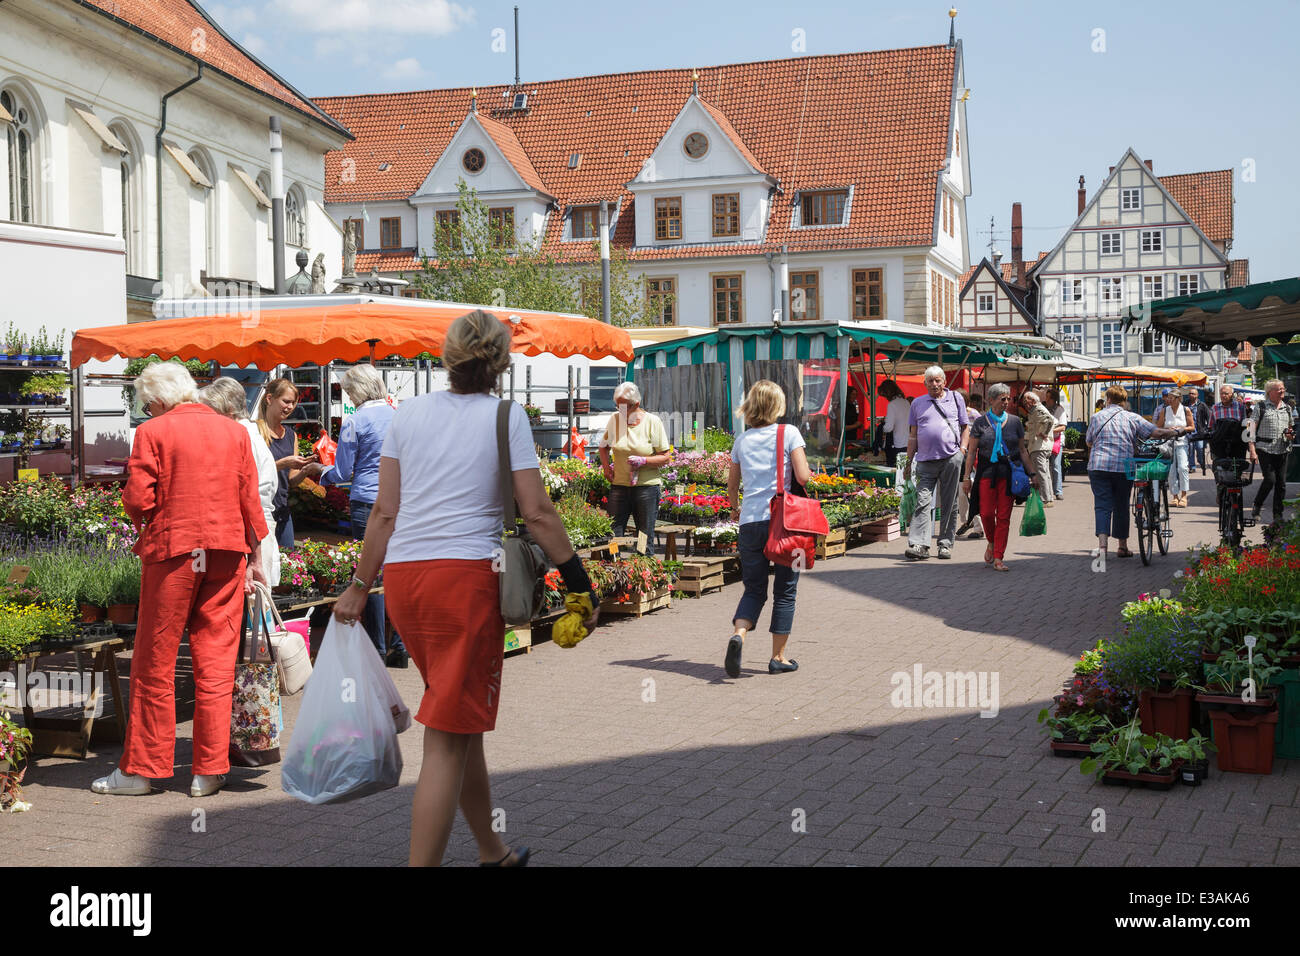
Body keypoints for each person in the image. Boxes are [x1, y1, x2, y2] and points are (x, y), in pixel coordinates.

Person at [331, 309, 600, 867]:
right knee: (447, 737)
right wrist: (579, 582)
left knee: (459, 720)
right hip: (468, 581)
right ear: (501, 362)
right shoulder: (507, 417)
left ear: (447, 357)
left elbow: (383, 511)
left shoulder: (407, 415)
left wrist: (361, 585)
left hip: (407, 581)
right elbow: (539, 514)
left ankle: (491, 850)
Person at [91, 362, 268, 798]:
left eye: (147, 401)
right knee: (215, 659)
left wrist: (150, 522)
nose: (148, 407)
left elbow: (138, 498)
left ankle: (143, 770)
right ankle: (207, 770)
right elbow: (250, 501)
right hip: (226, 552)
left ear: (157, 399)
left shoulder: (153, 431)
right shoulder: (235, 432)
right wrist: (256, 557)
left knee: (155, 662)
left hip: (174, 551)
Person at [307, 364, 408, 668]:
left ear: (358, 390)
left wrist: (318, 472)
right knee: (397, 571)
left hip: (366, 501)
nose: (348, 395)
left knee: (371, 572)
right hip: (399, 500)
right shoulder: (398, 416)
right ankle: (399, 647)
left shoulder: (355, 421)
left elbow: (341, 472)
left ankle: (376, 647)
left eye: (349, 390)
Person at [724, 380, 812, 677]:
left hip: (750, 522)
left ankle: (739, 634)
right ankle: (778, 658)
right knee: (785, 590)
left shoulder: (742, 440)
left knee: (754, 588)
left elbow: (732, 486)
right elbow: (803, 476)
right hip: (785, 524)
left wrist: (737, 507)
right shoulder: (789, 433)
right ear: (778, 405)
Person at [199, 377, 279, 588]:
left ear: (229, 410)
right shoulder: (248, 433)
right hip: (256, 529)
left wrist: (255, 554)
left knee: (256, 606)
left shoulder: (242, 436)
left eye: (211, 411)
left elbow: (249, 496)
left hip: (254, 532)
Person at [1085, 385, 1178, 560]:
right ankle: (1122, 547)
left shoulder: (1096, 417)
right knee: (1121, 504)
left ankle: (1103, 548)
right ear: (1124, 401)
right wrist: (1174, 432)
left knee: (1102, 505)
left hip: (1098, 466)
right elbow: (1155, 432)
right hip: (1122, 466)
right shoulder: (1132, 417)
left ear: (1108, 400)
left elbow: (1089, 442)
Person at [961, 383, 1035, 571]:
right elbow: (971, 452)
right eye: (1003, 399)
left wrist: (1032, 473)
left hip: (1009, 474)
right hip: (986, 473)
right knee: (985, 513)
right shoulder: (980, 423)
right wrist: (966, 477)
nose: (1007, 402)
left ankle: (998, 557)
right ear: (991, 400)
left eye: (1008, 398)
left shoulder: (1015, 422)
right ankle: (992, 542)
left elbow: (1022, 450)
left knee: (1003, 516)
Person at [903, 366, 970, 560]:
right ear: (924, 383)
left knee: (949, 503)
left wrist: (962, 451)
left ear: (944, 381)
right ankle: (919, 545)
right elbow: (913, 435)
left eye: (938, 380)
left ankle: (945, 544)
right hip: (925, 460)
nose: (934, 384)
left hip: (950, 458)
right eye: (930, 381)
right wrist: (908, 461)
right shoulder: (917, 403)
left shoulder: (955, 399)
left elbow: (965, 428)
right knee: (922, 501)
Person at [598, 382, 672, 555]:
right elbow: (603, 447)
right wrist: (606, 469)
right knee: (613, 532)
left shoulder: (652, 422)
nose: (620, 410)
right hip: (620, 485)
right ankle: (612, 565)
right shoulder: (615, 420)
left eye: (624, 406)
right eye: (617, 405)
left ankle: (642, 567)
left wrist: (644, 460)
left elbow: (665, 456)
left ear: (636, 404)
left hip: (646, 487)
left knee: (644, 534)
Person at [256, 377, 315, 549]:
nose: (290, 407)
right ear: (269, 399)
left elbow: (291, 481)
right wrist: (282, 463)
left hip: (282, 509)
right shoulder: (255, 431)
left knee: (289, 562)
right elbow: (252, 473)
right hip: (260, 510)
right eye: (286, 401)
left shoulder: (291, 435)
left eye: (293, 403)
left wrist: (305, 470)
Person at [1247, 379, 1297, 527]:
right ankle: (1257, 504)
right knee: (1270, 480)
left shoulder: (1287, 408)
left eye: (1283, 389)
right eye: (1279, 389)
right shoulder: (1261, 407)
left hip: (1282, 449)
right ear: (1270, 392)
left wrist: (1290, 435)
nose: (1282, 391)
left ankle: (1278, 515)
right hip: (1265, 449)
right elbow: (1250, 429)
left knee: (1281, 484)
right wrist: (1252, 449)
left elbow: (1291, 428)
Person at [1154, 388, 1194, 507]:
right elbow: (1158, 427)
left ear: (1179, 398)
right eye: (1168, 398)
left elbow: (1192, 427)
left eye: (1171, 398)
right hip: (1168, 443)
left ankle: (1184, 495)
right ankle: (1175, 496)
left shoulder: (1186, 410)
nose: (1169, 400)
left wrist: (1181, 429)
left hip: (1181, 442)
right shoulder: (1164, 411)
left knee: (1182, 468)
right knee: (1171, 471)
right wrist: (1168, 430)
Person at [956, 393, 985, 539]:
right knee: (962, 492)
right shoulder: (952, 413)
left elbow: (984, 430)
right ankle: (968, 520)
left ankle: (979, 526)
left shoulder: (973, 414)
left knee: (970, 490)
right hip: (960, 456)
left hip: (972, 456)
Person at [1021, 390, 1058, 507]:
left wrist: (1044, 433)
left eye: (1026, 401)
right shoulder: (1035, 411)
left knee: (1041, 473)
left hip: (1039, 446)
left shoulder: (1038, 409)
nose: (1025, 403)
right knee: (1045, 472)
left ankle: (1045, 499)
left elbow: (1050, 420)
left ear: (1033, 401)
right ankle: (1049, 497)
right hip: (1041, 446)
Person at [1045, 387, 1069, 500]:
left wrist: (1049, 431)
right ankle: (1047, 491)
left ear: (1053, 399)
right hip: (1045, 440)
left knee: (1055, 465)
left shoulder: (1060, 410)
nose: (1046, 400)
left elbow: (1063, 427)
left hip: (1057, 441)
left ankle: (1058, 491)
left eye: (1048, 398)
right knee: (1045, 466)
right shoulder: (1045, 409)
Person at [880, 382, 911, 467]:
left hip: (896, 444)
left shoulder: (892, 405)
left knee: (896, 470)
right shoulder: (906, 402)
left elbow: (889, 427)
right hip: (908, 442)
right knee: (905, 470)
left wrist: (882, 427)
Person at [1187, 387, 1212, 474]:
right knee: (1190, 450)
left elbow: (1209, 416)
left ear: (1197, 395)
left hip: (1199, 432)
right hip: (1189, 432)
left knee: (1200, 448)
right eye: (1190, 393)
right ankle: (1192, 466)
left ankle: (1201, 462)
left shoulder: (1202, 405)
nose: (1191, 395)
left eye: (1193, 393)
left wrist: (1207, 428)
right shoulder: (1185, 404)